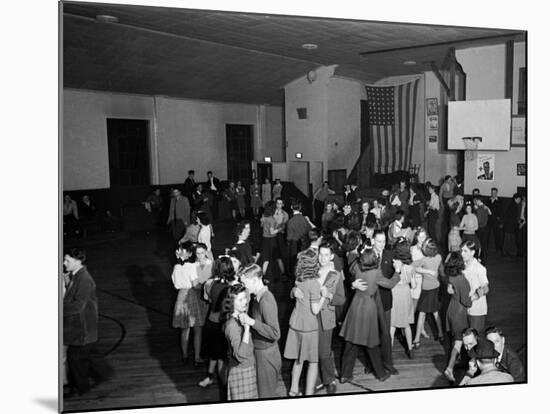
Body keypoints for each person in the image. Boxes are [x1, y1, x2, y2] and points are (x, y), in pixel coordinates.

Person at [63, 248, 112, 396]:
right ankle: (104, 374)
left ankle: (83, 387)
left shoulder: (84, 279)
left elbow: (78, 306)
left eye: (67, 261)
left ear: (78, 261)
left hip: (83, 325)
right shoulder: (76, 276)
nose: (64, 263)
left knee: (74, 356)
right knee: (87, 354)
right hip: (83, 325)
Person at [340, 248, 391, 383]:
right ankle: (380, 374)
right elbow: (390, 283)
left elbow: (350, 269)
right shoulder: (376, 273)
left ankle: (345, 375)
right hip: (369, 307)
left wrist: (353, 284)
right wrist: (397, 272)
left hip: (356, 305)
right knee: (371, 342)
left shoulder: (356, 267)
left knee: (350, 342)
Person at [284, 251, 326, 396]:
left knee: (298, 359)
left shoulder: (299, 279)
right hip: (309, 326)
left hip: (296, 323)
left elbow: (295, 291)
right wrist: (323, 297)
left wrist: (293, 290)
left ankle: (293, 389)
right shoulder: (314, 284)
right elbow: (315, 310)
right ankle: (309, 393)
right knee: (313, 362)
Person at [239, 264, 282, 398]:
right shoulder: (256, 297)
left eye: (245, 282)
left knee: (265, 394)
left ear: (255, 279)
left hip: (266, 355)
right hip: (260, 352)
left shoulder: (266, 299)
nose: (244, 286)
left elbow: (275, 333)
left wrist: (252, 322)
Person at [199, 257, 235, 389]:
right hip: (223, 323)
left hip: (211, 321)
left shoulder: (210, 284)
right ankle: (223, 385)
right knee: (221, 356)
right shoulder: (231, 287)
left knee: (214, 354)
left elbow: (207, 299)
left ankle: (210, 376)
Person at [171, 241, 207, 365]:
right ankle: (197, 358)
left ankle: (185, 355)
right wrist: (206, 286)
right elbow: (196, 285)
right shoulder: (191, 267)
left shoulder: (176, 267)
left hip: (180, 296)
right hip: (191, 295)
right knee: (197, 328)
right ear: (191, 253)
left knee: (184, 329)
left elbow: (175, 284)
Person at [222, 284, 258, 400]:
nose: (245, 302)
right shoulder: (232, 325)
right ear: (232, 302)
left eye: (245, 298)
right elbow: (241, 355)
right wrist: (247, 329)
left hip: (248, 367)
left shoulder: (241, 316)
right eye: (240, 299)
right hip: (241, 371)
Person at [442, 252, 473, 383]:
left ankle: (455, 364)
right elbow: (467, 302)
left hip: (451, 309)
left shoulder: (451, 276)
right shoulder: (462, 279)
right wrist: (477, 295)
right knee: (459, 342)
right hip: (459, 313)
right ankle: (449, 368)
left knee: (453, 340)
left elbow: (450, 291)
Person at [411, 238, 444, 348]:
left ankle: (416, 339)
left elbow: (412, 265)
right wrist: (430, 271)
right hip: (435, 288)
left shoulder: (424, 260)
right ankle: (440, 334)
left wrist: (425, 271)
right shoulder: (439, 257)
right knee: (435, 312)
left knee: (421, 313)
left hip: (426, 290)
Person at [390, 239, 416, 359]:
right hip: (406, 293)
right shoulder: (410, 267)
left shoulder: (394, 262)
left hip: (395, 292)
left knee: (392, 324)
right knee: (406, 324)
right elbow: (414, 285)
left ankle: (389, 349)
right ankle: (410, 349)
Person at [461, 240, 489, 334]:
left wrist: (475, 296)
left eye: (465, 251)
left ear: (472, 252)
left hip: (476, 310)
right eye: (461, 251)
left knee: (476, 339)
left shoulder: (479, 268)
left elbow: (486, 288)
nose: (462, 254)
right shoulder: (462, 266)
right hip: (464, 308)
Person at [286, 200, 315, 277]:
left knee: (294, 261)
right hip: (304, 242)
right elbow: (310, 229)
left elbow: (289, 237)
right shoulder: (305, 219)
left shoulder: (290, 221)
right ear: (300, 207)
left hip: (294, 244)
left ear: (291, 207)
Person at [260, 201, 285, 280]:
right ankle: (284, 274)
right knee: (278, 258)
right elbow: (272, 232)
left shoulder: (263, 216)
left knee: (266, 259)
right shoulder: (272, 219)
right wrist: (280, 229)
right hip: (272, 240)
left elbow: (261, 225)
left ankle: (263, 276)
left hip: (265, 239)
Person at [487, 188, 504, 255]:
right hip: (489, 220)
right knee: (487, 235)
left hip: (496, 221)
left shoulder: (500, 201)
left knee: (497, 235)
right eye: (492, 192)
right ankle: (487, 248)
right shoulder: (488, 200)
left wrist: (501, 222)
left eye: (494, 193)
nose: (493, 194)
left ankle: (498, 249)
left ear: (497, 193)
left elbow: (502, 212)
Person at [474, 196, 491, 262]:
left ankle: (481, 258)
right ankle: (484, 258)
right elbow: (490, 213)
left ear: (479, 201)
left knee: (480, 244)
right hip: (485, 227)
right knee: (484, 244)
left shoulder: (479, 209)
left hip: (480, 228)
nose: (475, 202)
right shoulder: (485, 207)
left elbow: (479, 220)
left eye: (476, 200)